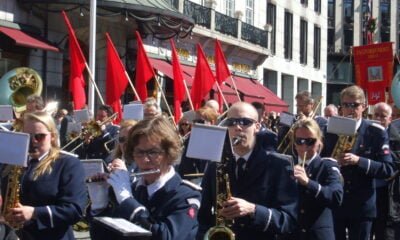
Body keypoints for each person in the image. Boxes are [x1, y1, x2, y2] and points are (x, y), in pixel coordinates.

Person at [197, 102, 298, 240]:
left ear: (257, 126)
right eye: (231, 122)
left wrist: (253, 210)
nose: (238, 127)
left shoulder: (278, 165)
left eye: (245, 122)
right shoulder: (216, 164)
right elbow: (203, 215)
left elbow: (289, 220)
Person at [92, 117, 202, 240]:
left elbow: (167, 237)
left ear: (168, 153)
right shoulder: (133, 190)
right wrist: (100, 207)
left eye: (153, 152)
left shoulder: (186, 195)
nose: (145, 160)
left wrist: (127, 200)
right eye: (139, 152)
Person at [322, 85, 394, 240]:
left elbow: (387, 169)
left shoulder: (376, 131)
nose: (350, 109)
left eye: (354, 105)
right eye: (346, 105)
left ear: (364, 107)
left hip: (362, 205)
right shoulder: (328, 130)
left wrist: (359, 161)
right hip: (336, 203)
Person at [6, 111, 87, 240]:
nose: (33, 141)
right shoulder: (14, 163)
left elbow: (74, 210)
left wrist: (34, 213)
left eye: (39, 136)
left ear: (53, 137)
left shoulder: (67, 164)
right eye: (27, 136)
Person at [291, 118, 343, 240]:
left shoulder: (327, 166)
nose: (304, 146)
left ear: (319, 142)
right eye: (300, 141)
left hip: (317, 235)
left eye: (310, 141)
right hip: (291, 233)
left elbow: (336, 197)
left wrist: (308, 183)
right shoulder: (286, 165)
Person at [370, 102, 392, 240]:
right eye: (376, 115)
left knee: (382, 229)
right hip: (368, 188)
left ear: (389, 119)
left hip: (386, 190)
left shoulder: (395, 135)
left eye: (383, 116)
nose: (378, 119)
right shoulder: (366, 132)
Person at [178, 107, 217, 179]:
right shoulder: (191, 141)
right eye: (195, 122)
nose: (197, 125)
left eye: (200, 122)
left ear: (212, 123)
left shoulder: (220, 141)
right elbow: (185, 168)